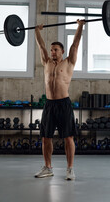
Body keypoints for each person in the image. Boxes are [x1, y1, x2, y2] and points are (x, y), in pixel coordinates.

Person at [34, 19, 85, 180]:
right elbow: (41, 47)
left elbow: (75, 45)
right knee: (46, 137)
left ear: (62, 51)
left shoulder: (69, 63)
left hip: (64, 103)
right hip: (49, 104)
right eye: (51, 50)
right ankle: (47, 167)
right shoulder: (47, 63)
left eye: (55, 49)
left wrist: (80, 27)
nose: (52, 52)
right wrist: (37, 31)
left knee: (68, 137)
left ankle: (70, 169)